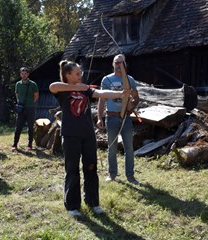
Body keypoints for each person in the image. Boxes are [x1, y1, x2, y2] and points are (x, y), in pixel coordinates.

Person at [49, 60, 131, 217]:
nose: (80, 76)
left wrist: (121, 93)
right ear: (67, 75)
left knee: (91, 168)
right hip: (71, 134)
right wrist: (75, 87)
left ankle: (93, 202)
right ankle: (72, 206)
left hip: (88, 134)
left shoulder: (85, 89)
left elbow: (101, 93)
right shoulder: (63, 90)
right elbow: (53, 86)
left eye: (81, 73)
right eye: (77, 74)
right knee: (72, 170)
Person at [97, 54, 140, 185]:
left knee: (129, 148)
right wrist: (100, 118)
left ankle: (130, 176)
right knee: (112, 148)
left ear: (125, 64)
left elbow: (136, 98)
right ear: (113, 64)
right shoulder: (106, 79)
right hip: (111, 117)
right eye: (116, 63)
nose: (118, 66)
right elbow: (102, 99)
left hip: (125, 118)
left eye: (121, 63)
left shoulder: (130, 79)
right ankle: (112, 174)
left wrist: (131, 104)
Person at [12, 67, 39, 151]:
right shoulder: (18, 84)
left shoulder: (33, 84)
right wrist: (20, 103)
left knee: (30, 127)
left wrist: (30, 103)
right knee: (18, 127)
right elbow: (17, 94)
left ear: (28, 74)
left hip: (30, 108)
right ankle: (15, 144)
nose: (24, 75)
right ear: (20, 74)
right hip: (21, 108)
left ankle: (30, 145)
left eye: (25, 73)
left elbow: (36, 95)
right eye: (22, 74)